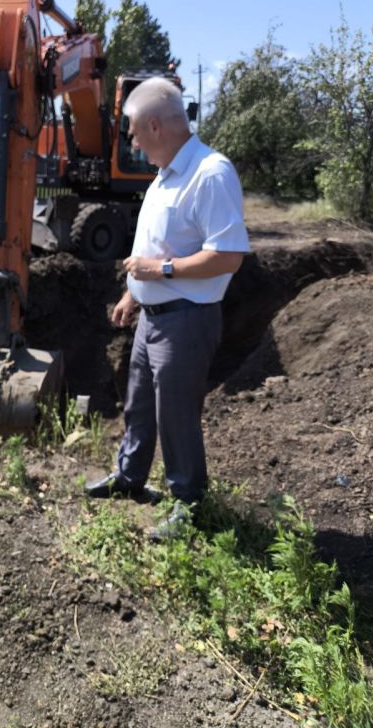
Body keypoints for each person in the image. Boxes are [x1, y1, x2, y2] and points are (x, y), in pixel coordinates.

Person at [84, 77, 250, 540]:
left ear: (155, 126)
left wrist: (161, 272)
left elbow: (228, 254)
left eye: (134, 132)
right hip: (153, 317)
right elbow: (152, 246)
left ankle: (189, 503)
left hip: (187, 319)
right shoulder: (163, 176)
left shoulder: (210, 173)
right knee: (138, 404)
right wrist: (133, 293)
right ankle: (130, 478)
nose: (132, 142)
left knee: (176, 415)